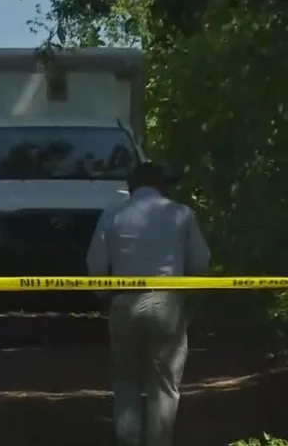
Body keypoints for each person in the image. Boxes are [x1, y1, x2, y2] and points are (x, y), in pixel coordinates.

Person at [86, 162, 210, 446]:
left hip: (123, 302)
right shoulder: (181, 214)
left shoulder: (113, 214)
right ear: (160, 185)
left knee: (125, 379)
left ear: (131, 187)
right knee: (164, 384)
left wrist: (103, 294)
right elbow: (201, 262)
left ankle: (128, 440)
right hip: (167, 301)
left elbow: (95, 265)